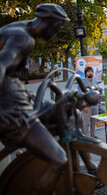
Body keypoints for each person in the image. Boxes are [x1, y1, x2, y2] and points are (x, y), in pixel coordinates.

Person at [0, 3, 69, 194]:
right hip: (12, 110)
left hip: (17, 100)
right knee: (58, 159)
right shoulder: (24, 38)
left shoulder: (17, 28)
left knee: (61, 111)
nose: (57, 31)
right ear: (50, 22)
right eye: (58, 26)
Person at [80, 66, 99, 138]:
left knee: (93, 122)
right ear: (85, 73)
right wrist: (84, 105)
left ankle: (93, 135)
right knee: (86, 123)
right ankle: (86, 137)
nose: (90, 72)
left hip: (95, 105)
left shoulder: (95, 81)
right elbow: (81, 94)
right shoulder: (82, 81)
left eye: (91, 71)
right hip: (87, 106)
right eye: (88, 71)